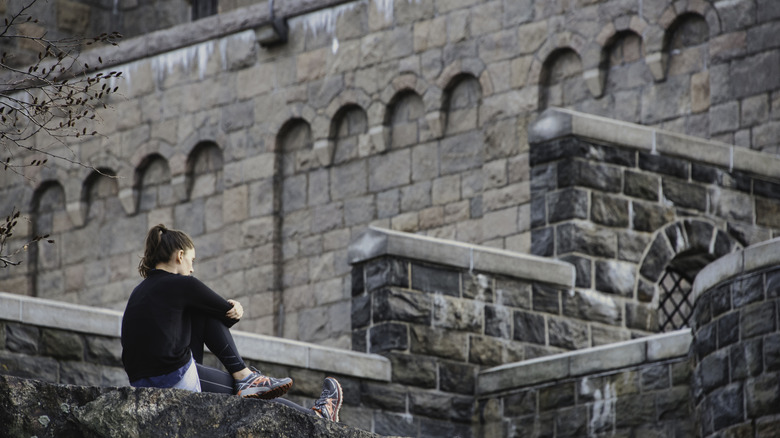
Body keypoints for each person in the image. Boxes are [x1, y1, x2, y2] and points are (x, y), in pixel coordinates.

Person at [120, 224, 342, 422]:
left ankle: (248, 380)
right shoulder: (183, 284)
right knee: (253, 398)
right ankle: (315, 416)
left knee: (198, 311)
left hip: (142, 382)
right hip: (172, 378)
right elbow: (225, 313)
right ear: (179, 256)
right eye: (192, 260)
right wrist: (237, 308)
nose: (192, 268)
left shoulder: (138, 292)